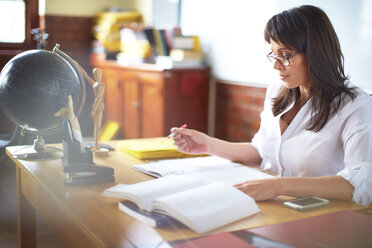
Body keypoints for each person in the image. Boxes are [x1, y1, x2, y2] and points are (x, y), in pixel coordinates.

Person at [170, 5, 372, 206]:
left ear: (316, 53)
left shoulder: (356, 107)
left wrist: (279, 186)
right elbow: (262, 151)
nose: (276, 65)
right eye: (274, 54)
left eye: (285, 55)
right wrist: (208, 145)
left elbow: (359, 184)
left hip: (318, 215)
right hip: (270, 206)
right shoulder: (278, 91)